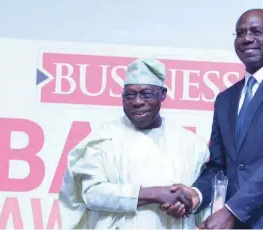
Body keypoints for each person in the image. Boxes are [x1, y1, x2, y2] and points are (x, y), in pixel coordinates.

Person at [164, 8, 263, 229]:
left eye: (256, 31)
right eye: (240, 33)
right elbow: (219, 166)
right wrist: (197, 195)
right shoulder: (225, 99)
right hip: (241, 222)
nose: (247, 38)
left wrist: (232, 210)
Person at [58, 58, 210, 229]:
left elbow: (200, 199)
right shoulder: (104, 138)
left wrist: (184, 205)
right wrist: (156, 194)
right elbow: (92, 194)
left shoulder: (190, 144)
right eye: (130, 95)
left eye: (146, 94)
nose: (137, 102)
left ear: (162, 94)